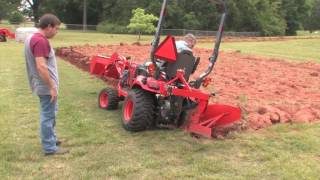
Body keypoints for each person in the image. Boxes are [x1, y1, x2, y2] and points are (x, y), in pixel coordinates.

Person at [24, 14, 69, 155]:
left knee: (50, 114)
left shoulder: (32, 38)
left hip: (42, 84)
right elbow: (41, 67)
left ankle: (51, 139)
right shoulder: (40, 41)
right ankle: (50, 148)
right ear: (49, 26)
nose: (57, 32)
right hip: (45, 86)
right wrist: (51, 87)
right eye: (56, 28)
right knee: (48, 115)